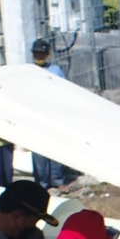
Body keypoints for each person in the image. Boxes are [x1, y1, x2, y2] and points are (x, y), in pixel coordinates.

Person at [26, 39, 78, 188]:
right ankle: (41, 184)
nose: (38, 56)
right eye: (36, 53)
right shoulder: (28, 71)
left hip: (54, 116)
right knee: (39, 152)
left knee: (56, 149)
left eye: (41, 53)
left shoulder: (56, 71)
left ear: (47, 54)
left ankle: (58, 180)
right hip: (35, 117)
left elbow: (64, 92)